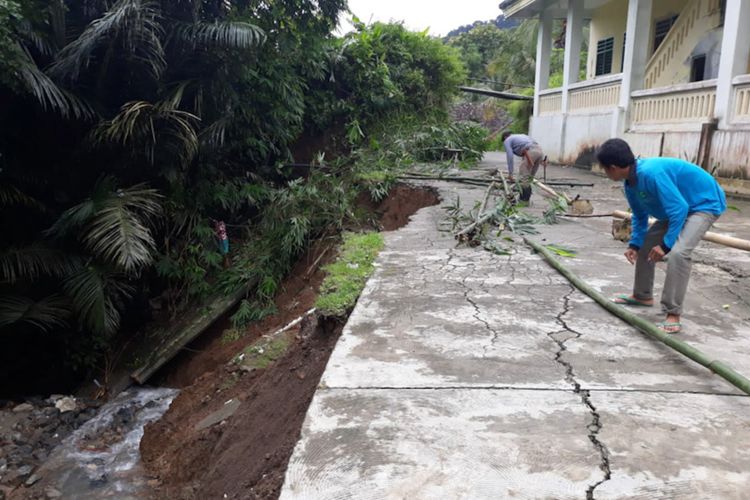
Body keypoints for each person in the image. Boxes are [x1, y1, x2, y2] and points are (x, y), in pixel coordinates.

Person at [596, 138, 726, 333]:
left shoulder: (651, 174)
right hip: (679, 207)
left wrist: (666, 245)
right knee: (646, 244)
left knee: (678, 253)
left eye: (605, 169)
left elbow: (679, 209)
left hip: (703, 204)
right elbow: (640, 216)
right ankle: (642, 296)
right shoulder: (630, 184)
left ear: (613, 168)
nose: (606, 173)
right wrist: (634, 245)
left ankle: (673, 312)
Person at [502, 131, 546, 203]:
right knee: (529, 178)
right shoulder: (522, 135)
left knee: (524, 177)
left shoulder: (507, 140)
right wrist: (542, 160)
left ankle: (524, 200)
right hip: (539, 151)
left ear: (505, 137)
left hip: (531, 152)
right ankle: (526, 199)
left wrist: (510, 173)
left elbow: (510, 156)